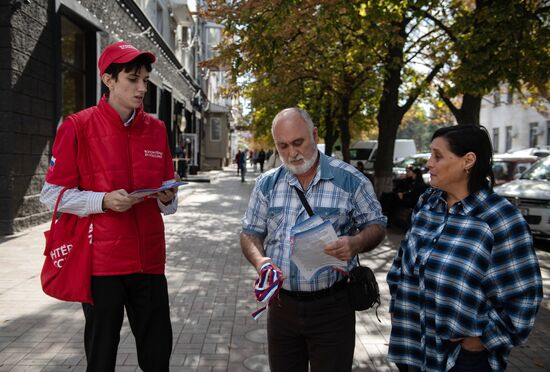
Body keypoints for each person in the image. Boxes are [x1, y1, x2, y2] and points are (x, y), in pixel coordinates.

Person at [40, 41, 180, 372]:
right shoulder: (78, 126)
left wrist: (168, 198)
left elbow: (169, 198)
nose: (142, 88)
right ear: (108, 79)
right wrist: (102, 201)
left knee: (158, 356)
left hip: (150, 260)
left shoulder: (157, 129)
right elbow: (50, 194)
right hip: (102, 265)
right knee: (101, 358)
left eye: (145, 80)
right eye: (133, 79)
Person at [387, 125, 543, 372]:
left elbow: (524, 295)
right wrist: (397, 305)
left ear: (468, 161)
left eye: (438, 156)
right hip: (412, 347)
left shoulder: (500, 219)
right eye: (430, 155)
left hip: (462, 359)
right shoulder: (428, 204)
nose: (429, 163)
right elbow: (403, 259)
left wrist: (481, 340)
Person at [240, 108, 386, 371]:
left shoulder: (350, 181)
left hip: (333, 308)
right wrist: (261, 262)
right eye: (282, 146)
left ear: (314, 135)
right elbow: (250, 232)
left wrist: (356, 243)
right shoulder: (267, 184)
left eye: (299, 142)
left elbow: (377, 226)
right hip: (282, 307)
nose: (292, 153)